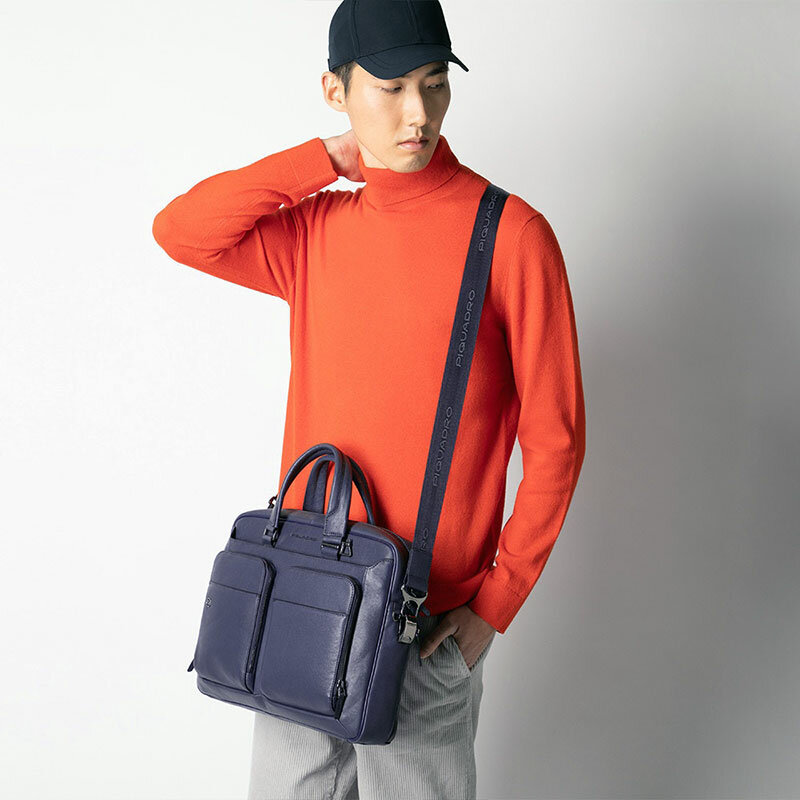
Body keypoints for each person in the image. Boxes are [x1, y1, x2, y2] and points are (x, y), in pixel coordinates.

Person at [152, 1, 586, 797]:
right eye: (390, 88)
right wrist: (322, 159)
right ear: (336, 90)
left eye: (434, 84)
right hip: (300, 600)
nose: (418, 113)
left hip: (425, 627)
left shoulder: (512, 236)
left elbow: (556, 440)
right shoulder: (316, 229)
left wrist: (496, 603)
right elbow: (181, 230)